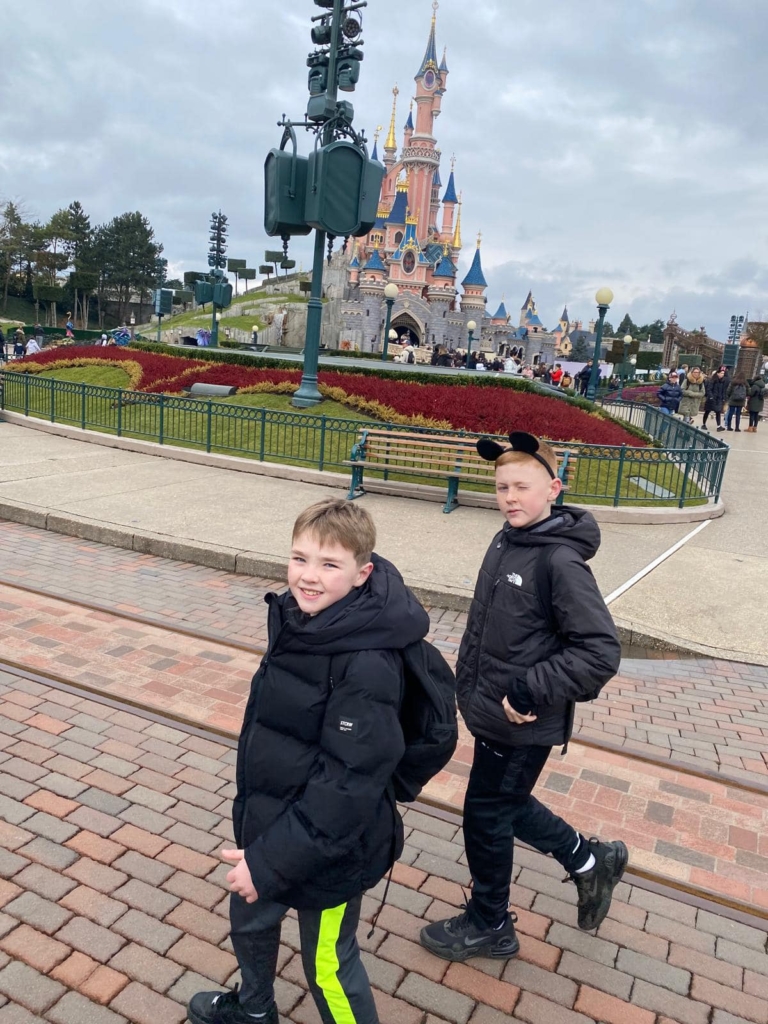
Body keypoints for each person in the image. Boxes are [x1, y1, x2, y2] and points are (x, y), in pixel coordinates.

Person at [189, 499, 437, 1024]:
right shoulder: (303, 619)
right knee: (251, 916)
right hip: (271, 813)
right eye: (299, 559)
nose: (308, 576)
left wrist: (271, 860)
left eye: (329, 565)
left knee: (327, 962)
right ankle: (254, 1009)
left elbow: (348, 784)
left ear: (362, 572)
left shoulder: (367, 661)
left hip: (332, 844)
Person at [420, 432, 625, 964]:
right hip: (495, 713)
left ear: (553, 488)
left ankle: (491, 923)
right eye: (502, 487)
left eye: (523, 487)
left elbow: (600, 651)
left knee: (487, 815)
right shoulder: (510, 538)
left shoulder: (559, 561)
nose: (510, 497)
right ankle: (589, 861)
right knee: (502, 805)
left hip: (522, 720)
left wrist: (530, 688)